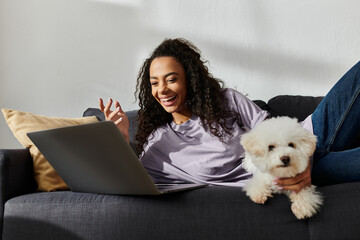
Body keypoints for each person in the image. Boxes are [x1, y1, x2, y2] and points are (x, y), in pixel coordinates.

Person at [99, 38, 360, 193]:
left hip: (307, 138)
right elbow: (132, 184)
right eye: (154, 83)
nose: (162, 89)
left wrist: (302, 162)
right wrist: (119, 139)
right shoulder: (159, 143)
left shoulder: (226, 100)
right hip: (288, 175)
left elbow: (272, 130)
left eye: (171, 79)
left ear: (189, 79)